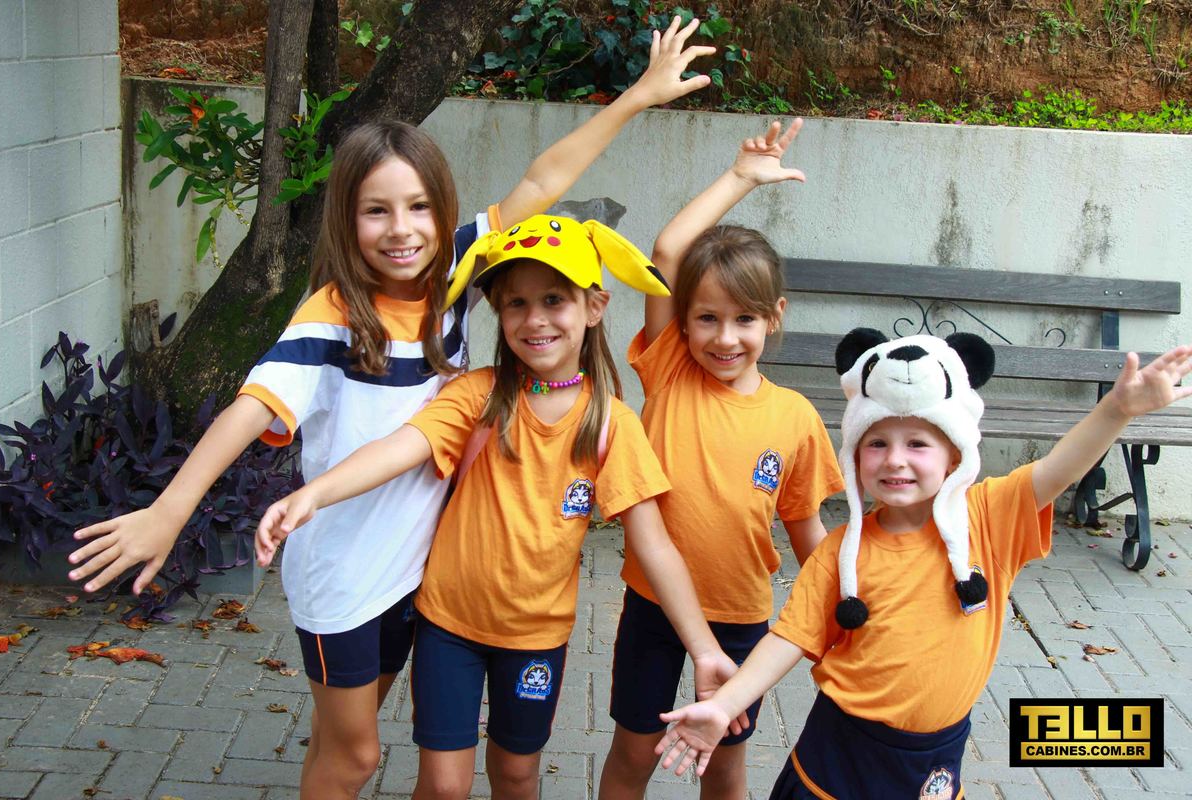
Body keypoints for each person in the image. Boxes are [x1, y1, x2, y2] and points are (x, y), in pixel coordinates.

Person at [66, 18, 717, 800]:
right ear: (347, 219)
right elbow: (253, 405)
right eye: (377, 211)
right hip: (342, 573)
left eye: (418, 207)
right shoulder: (332, 314)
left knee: (343, 738)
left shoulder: (454, 279)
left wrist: (637, 97)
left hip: (418, 570)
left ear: (443, 212)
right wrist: (171, 510)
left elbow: (542, 181)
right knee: (355, 756)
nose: (402, 230)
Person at [255, 213, 741, 800]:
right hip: (448, 628)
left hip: (537, 639)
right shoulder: (476, 395)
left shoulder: (612, 425)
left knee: (515, 775)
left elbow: (655, 544)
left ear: (594, 306)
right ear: (498, 310)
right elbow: (400, 447)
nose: (535, 319)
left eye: (554, 299)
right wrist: (315, 492)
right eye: (516, 303)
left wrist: (705, 649)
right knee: (444, 786)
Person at [655, 327, 1192, 799]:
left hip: (936, 756)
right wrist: (724, 706)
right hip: (840, 752)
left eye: (917, 443)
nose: (895, 459)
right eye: (877, 443)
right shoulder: (840, 553)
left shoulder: (988, 519)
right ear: (854, 455)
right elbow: (787, 640)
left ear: (955, 454)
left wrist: (1117, 410)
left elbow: (1059, 469)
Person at [598, 120, 844, 800]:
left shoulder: (795, 417)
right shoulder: (669, 368)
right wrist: (739, 177)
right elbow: (668, 249)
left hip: (741, 618)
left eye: (744, 320)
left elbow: (807, 531)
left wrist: (845, 604)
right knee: (633, 754)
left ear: (774, 316)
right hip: (652, 604)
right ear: (681, 321)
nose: (724, 337)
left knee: (725, 764)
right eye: (706, 317)